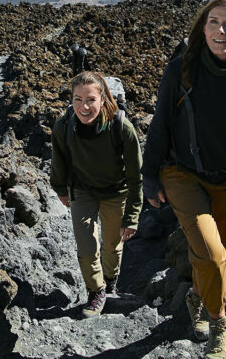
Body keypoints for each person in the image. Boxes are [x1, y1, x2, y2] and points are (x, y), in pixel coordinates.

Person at [142, 0, 226, 359]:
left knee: (213, 257)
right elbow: (160, 125)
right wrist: (150, 176)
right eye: (214, 22)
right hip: (182, 173)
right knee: (212, 253)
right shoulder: (181, 70)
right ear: (202, 28)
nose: (221, 30)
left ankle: (195, 298)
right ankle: (221, 324)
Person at [51, 71, 143, 317]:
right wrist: (61, 189)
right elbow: (58, 159)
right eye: (77, 99)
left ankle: (110, 280)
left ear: (103, 100)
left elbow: (136, 176)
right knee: (86, 245)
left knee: (112, 246)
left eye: (91, 99)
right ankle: (96, 291)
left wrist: (132, 216)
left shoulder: (121, 127)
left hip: (116, 192)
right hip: (82, 191)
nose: (84, 106)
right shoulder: (64, 125)